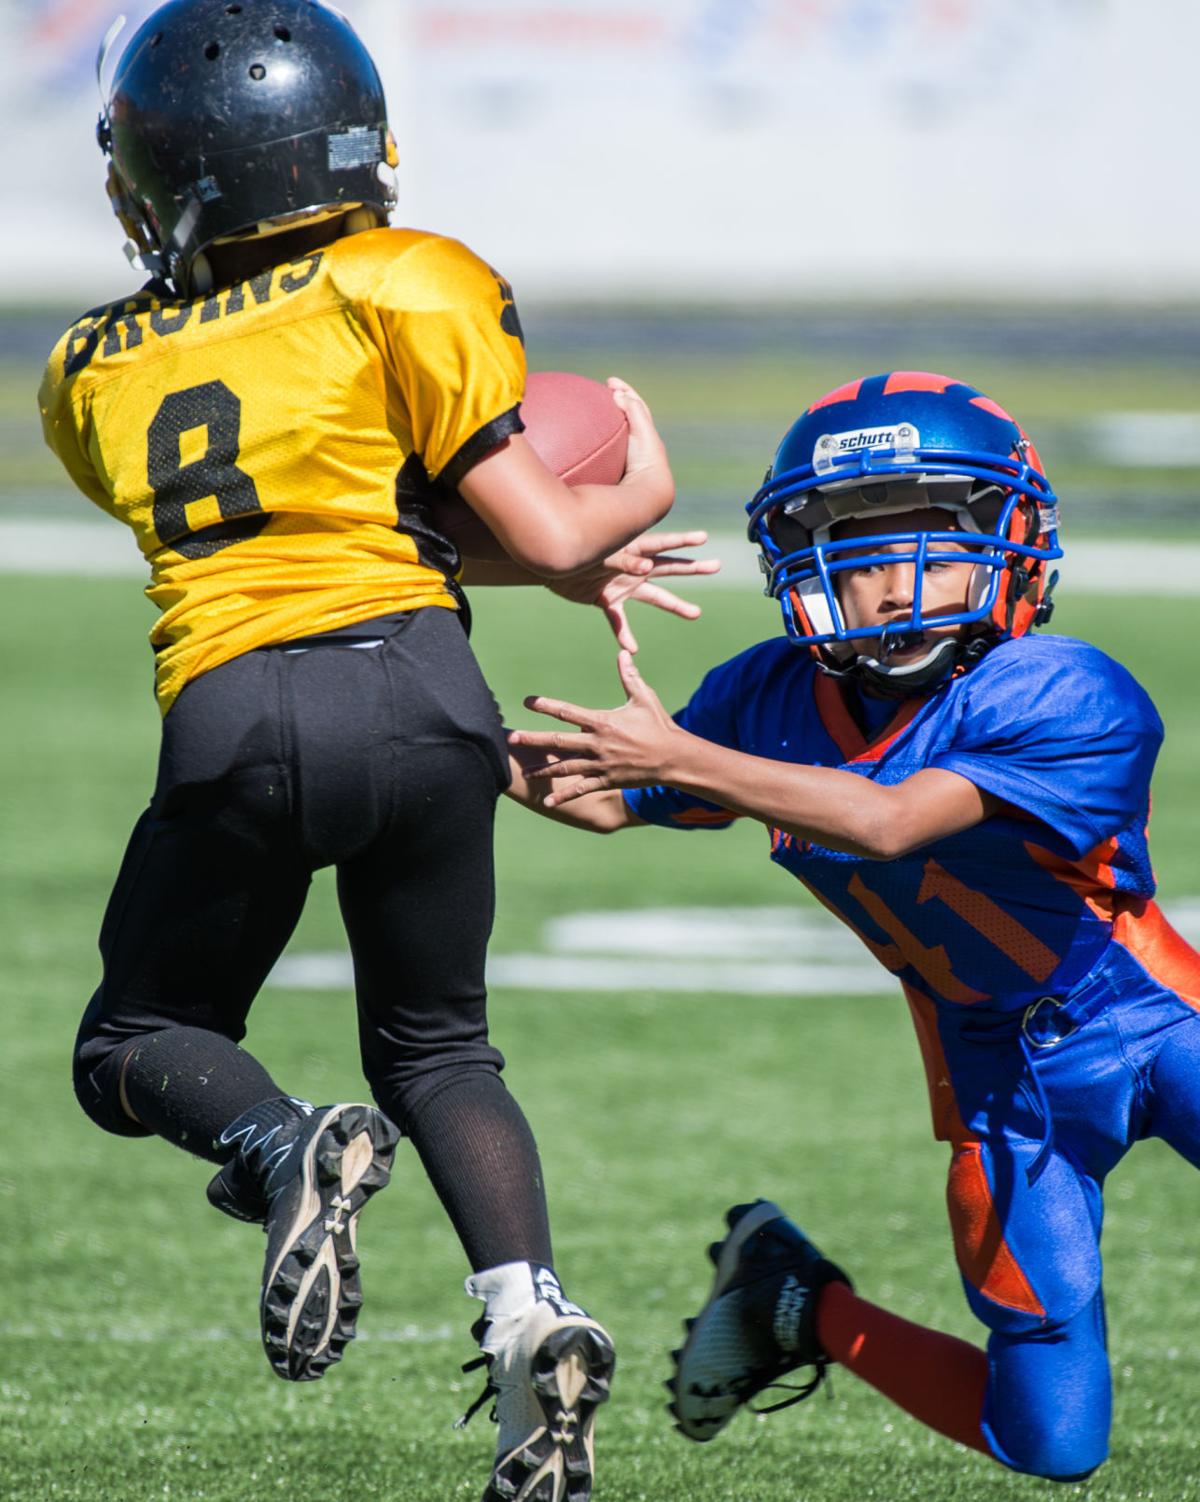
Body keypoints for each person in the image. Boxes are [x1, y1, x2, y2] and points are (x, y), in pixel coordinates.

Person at [37, 4, 713, 1499]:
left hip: (239, 710)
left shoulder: (87, 369)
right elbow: (517, 525)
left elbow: (286, 510)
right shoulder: (414, 276)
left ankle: (284, 1144)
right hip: (427, 687)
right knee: (439, 1045)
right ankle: (529, 1309)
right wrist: (628, 503)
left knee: (133, 1043)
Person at [506, 369, 1200, 1482]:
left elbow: (889, 821)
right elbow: (599, 794)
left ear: (1012, 542)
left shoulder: (1066, 688)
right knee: (1051, 1441)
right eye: (861, 550)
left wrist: (680, 755)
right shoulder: (767, 699)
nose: (893, 582)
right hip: (997, 1083)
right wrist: (422, 715)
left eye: (932, 539)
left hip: (1150, 1024)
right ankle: (797, 1301)